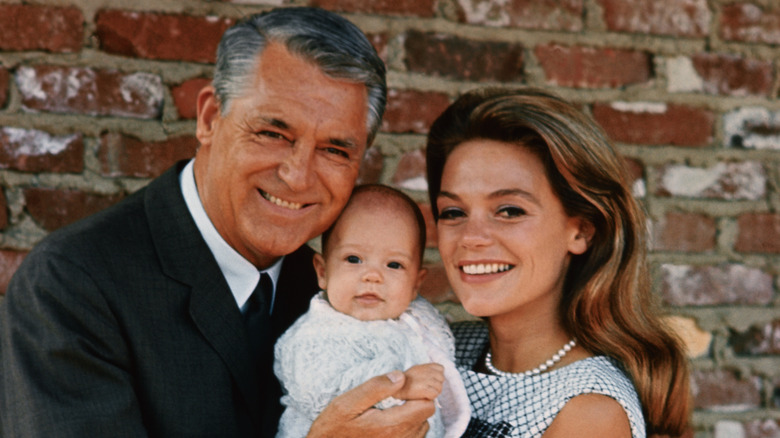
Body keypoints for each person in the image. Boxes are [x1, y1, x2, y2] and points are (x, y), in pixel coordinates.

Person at [0, 7, 436, 438]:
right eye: (273, 133)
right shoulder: (72, 284)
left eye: (335, 150)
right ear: (209, 117)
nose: (298, 176)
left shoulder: (343, 291)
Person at [425, 87, 692, 437]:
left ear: (581, 231)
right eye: (453, 212)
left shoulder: (587, 412)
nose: (471, 237)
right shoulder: (440, 347)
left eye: (509, 211)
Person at [273, 184, 471, 438]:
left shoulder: (415, 320)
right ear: (323, 272)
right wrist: (399, 386)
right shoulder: (314, 335)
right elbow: (319, 392)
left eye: (394, 265)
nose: (373, 276)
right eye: (354, 259)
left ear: (415, 284)